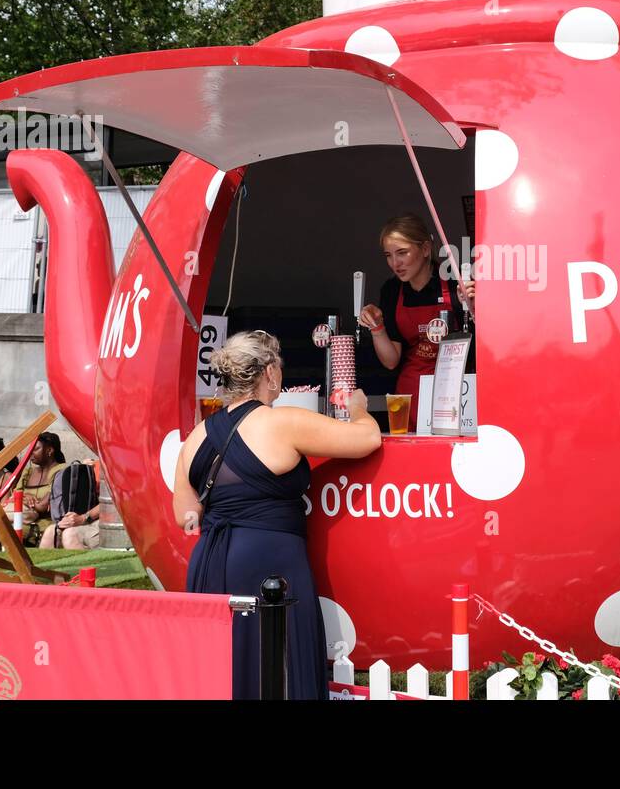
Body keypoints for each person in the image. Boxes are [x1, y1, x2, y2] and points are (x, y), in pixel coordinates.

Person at [173, 330, 381, 700]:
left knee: (223, 667)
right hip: (269, 558)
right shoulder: (283, 421)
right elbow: (366, 440)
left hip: (210, 559)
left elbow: (184, 512)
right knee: (279, 661)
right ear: (270, 373)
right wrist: (360, 409)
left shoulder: (197, 435)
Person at [356, 214, 475, 432]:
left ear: (426, 249)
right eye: (388, 255)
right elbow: (391, 360)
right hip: (412, 391)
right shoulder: (392, 291)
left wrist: (473, 306)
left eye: (402, 253)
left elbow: (484, 339)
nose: (395, 263)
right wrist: (377, 327)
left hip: (456, 388)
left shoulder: (453, 282)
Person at [40, 459, 101, 549]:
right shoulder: (95, 465)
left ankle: (87, 563)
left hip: (113, 522)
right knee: (51, 532)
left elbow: (112, 505)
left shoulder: (121, 466)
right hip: (91, 519)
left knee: (70, 535)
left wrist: (83, 518)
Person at [17, 432, 65, 547]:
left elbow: (42, 507)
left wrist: (22, 499)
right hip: (22, 518)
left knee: (5, 533)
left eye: (36, 449)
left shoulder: (61, 471)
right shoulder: (28, 472)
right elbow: (14, 495)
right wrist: (26, 497)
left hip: (45, 523)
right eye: (30, 450)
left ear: (49, 450)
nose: (30, 454)